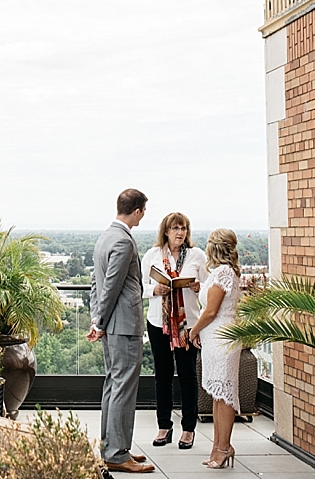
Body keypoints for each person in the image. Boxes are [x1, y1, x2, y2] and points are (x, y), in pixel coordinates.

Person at [87, 188, 155, 474]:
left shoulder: (105, 237)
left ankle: (112, 447)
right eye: (143, 211)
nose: (143, 216)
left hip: (110, 325)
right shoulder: (124, 241)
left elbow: (96, 284)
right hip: (123, 327)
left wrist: (96, 321)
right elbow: (112, 286)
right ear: (137, 210)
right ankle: (116, 454)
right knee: (123, 389)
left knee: (113, 385)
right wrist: (100, 323)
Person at [141, 212, 207, 449]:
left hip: (187, 324)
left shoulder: (197, 256)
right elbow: (139, 287)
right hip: (159, 322)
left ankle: (188, 429)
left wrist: (198, 287)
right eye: (175, 228)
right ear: (166, 231)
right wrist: (154, 291)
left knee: (188, 376)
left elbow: (209, 292)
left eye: (184, 228)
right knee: (162, 376)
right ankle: (164, 426)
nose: (180, 232)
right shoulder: (152, 255)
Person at [188, 228, 243, 470]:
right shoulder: (222, 272)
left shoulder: (222, 272)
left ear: (214, 247)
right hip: (215, 340)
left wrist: (193, 330)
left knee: (225, 393)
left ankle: (224, 447)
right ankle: (218, 446)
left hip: (222, 339)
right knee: (217, 394)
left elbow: (211, 312)